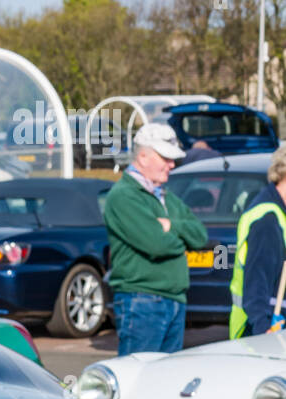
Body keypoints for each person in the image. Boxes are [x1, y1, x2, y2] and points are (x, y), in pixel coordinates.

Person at [103, 122, 209, 355]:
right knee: (138, 381)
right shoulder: (124, 196)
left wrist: (171, 225)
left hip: (173, 300)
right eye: (166, 158)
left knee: (165, 383)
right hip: (141, 300)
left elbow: (200, 236)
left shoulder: (164, 197)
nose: (172, 165)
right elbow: (156, 244)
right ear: (143, 157)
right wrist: (180, 237)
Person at [230, 142, 286, 338]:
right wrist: (264, 331)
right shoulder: (267, 221)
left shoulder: (278, 213)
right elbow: (256, 284)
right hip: (261, 332)